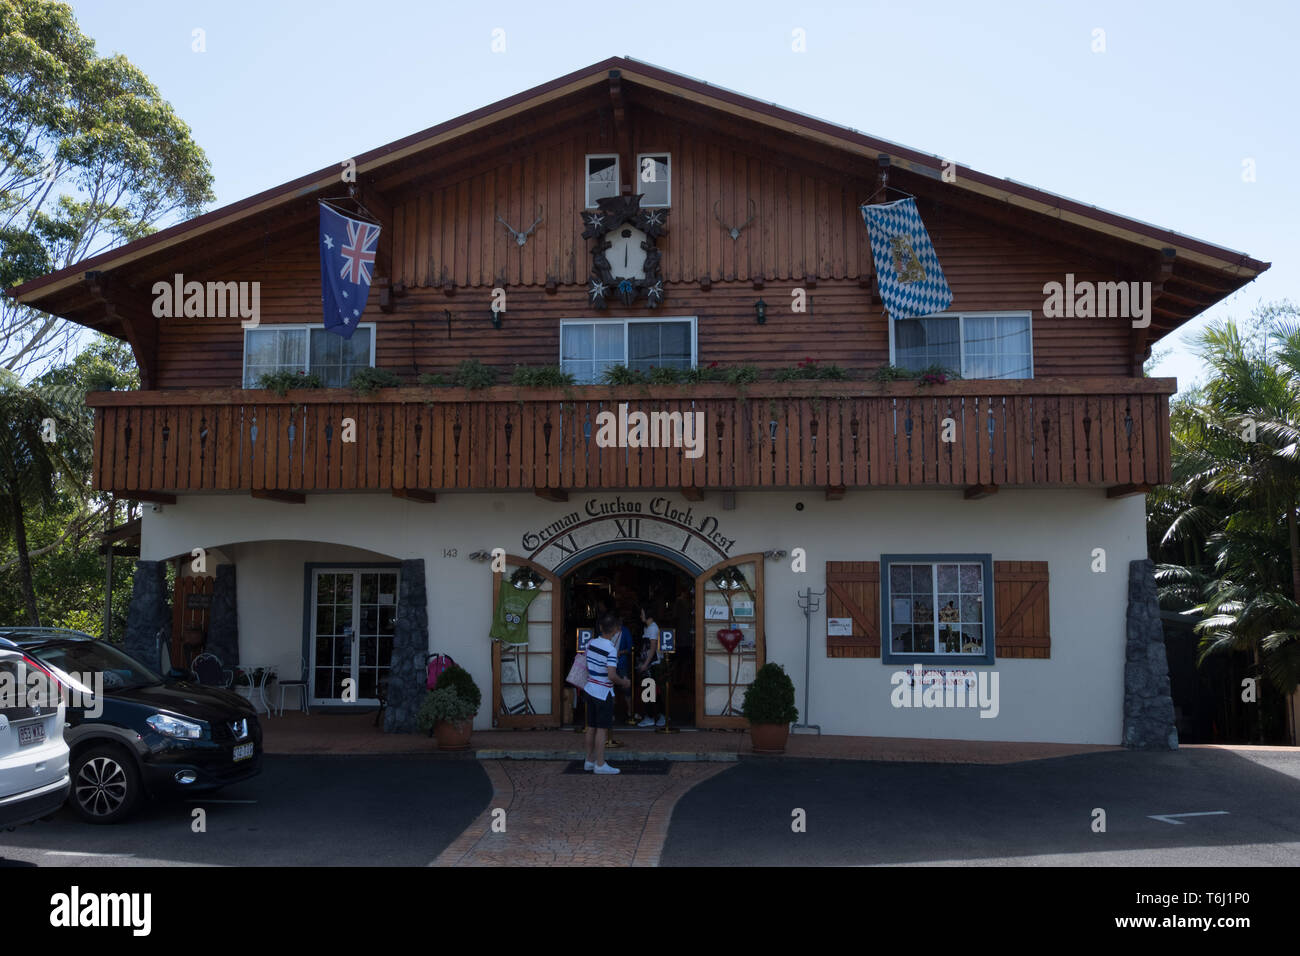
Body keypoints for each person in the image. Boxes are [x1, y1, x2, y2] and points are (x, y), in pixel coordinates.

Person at [584, 612, 632, 773]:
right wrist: (624, 682)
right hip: (603, 692)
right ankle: (600, 763)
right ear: (615, 631)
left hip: (589, 688)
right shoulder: (610, 649)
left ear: (600, 627)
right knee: (602, 729)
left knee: (591, 726)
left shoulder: (590, 643)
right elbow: (611, 675)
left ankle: (589, 760)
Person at [635, 604, 664, 727]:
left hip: (652, 664)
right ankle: (655, 715)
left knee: (650, 691)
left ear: (648, 614)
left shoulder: (652, 628)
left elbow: (652, 649)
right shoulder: (647, 628)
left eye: (642, 613)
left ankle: (652, 716)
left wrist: (645, 664)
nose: (641, 615)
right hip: (648, 663)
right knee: (650, 691)